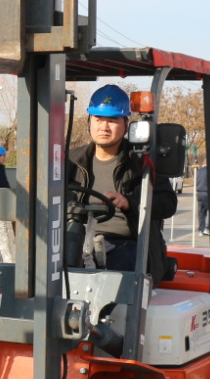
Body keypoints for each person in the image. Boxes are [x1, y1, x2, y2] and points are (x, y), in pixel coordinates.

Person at [66, 84, 177, 281]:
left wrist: (129, 203)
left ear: (126, 125)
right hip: (78, 239)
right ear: (89, 122)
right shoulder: (71, 161)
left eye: (112, 120)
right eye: (98, 119)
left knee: (120, 266)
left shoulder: (141, 162)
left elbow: (167, 203)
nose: (104, 127)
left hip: (126, 244)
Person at [195, 161, 210, 235]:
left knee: (201, 213)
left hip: (199, 193)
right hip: (207, 193)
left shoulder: (199, 171)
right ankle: (209, 228)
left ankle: (201, 229)